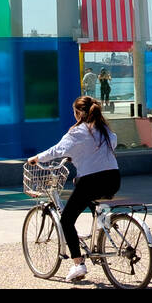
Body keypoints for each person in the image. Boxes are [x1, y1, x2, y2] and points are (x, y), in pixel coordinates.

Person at [26, 96, 119, 283]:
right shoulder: (104, 129)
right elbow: (111, 144)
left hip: (92, 181)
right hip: (114, 178)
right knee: (80, 184)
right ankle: (103, 217)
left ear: (78, 113)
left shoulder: (77, 132)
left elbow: (57, 151)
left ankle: (78, 264)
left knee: (67, 220)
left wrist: (36, 158)